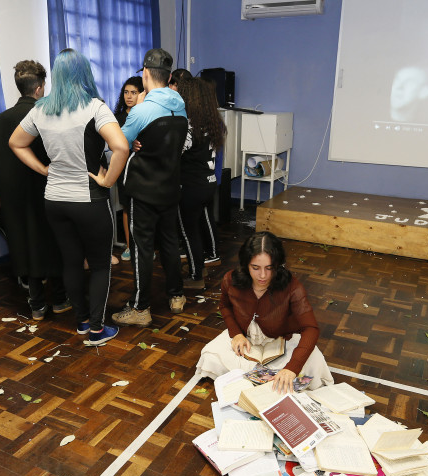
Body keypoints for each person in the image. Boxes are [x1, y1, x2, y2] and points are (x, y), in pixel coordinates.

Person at [9, 48, 129, 346]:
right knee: (100, 264)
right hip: (88, 198)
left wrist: (43, 169)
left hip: (55, 200)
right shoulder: (94, 107)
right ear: (84, 72)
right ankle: (98, 331)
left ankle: (82, 322)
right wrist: (108, 180)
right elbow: (121, 148)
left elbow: (15, 143)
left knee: (71, 262)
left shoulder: (41, 109)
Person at [195, 231, 333, 394]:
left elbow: (311, 328)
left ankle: (258, 379)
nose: (262, 275)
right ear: (246, 264)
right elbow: (225, 306)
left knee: (314, 361)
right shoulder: (230, 279)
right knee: (210, 356)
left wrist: (292, 368)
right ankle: (265, 382)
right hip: (245, 340)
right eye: (255, 268)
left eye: (269, 268)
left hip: (282, 341)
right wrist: (236, 334)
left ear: (278, 265)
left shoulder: (292, 286)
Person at [0, 60, 70, 320]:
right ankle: (59, 300)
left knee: (25, 246)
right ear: (40, 88)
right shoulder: (49, 115)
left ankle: (35, 305)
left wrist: (0, 197)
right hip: (48, 191)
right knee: (54, 244)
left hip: (14, 197)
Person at [112, 48, 188, 327]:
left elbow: (118, 144)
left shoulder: (141, 111)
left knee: (143, 247)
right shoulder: (179, 104)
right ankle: (176, 295)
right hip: (169, 185)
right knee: (169, 241)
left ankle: (140, 308)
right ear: (169, 77)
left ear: (145, 74)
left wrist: (130, 141)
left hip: (142, 189)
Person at [175, 77, 225, 290]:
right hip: (208, 183)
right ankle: (199, 267)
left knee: (189, 232)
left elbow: (176, 153)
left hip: (190, 186)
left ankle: (196, 276)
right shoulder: (212, 123)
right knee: (196, 228)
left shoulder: (188, 126)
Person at [111, 76, 144, 262]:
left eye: (133, 92)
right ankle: (130, 247)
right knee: (127, 208)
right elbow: (114, 144)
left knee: (143, 209)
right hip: (124, 170)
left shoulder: (146, 115)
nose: (129, 96)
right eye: (126, 92)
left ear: (141, 94)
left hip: (144, 169)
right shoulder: (117, 118)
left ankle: (144, 247)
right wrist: (128, 144)